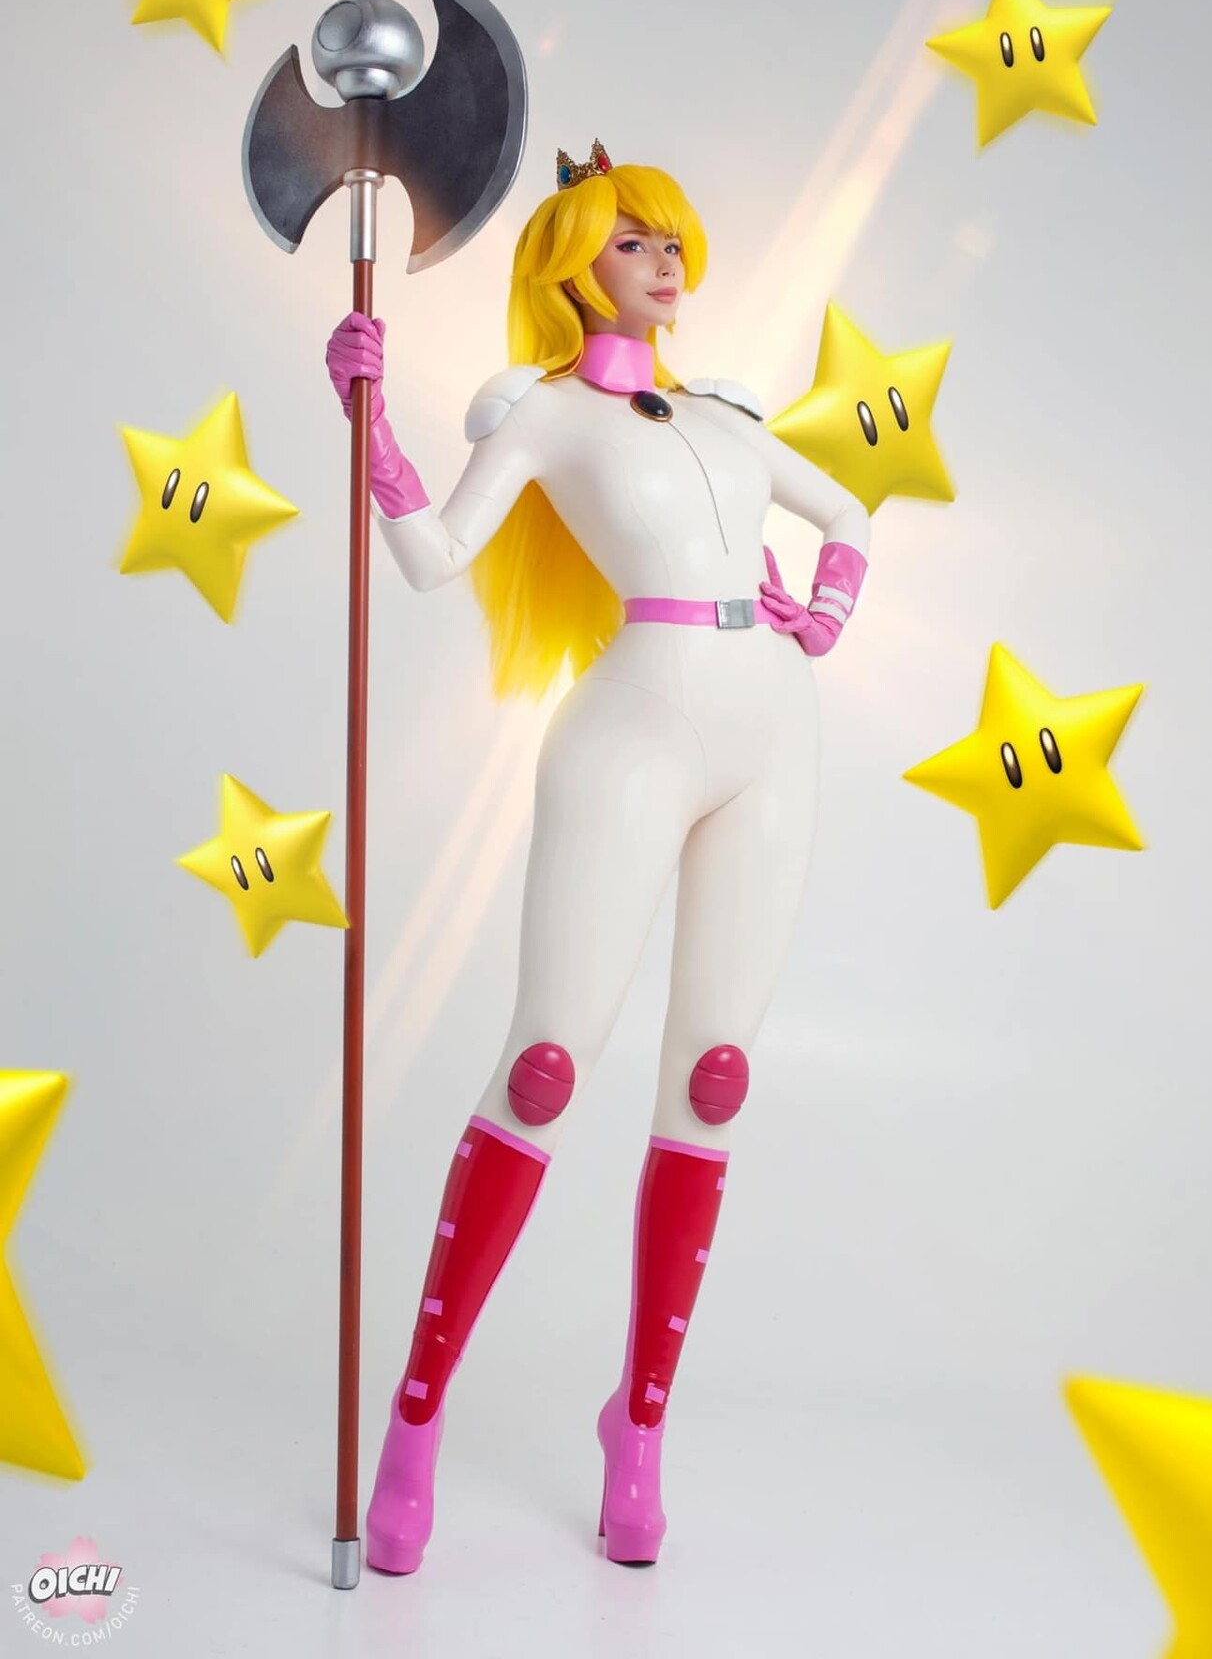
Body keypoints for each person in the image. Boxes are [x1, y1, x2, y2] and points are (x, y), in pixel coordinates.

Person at [323, 145, 871, 1574]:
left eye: (672, 240)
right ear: (574, 266)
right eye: (634, 242)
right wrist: (372, 429)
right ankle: (416, 1417)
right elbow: (436, 556)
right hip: (633, 733)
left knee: (714, 1077)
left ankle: (640, 1425)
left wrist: (825, 611)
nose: (665, 261)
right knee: (546, 1068)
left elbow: (848, 513)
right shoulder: (548, 416)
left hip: (774, 739)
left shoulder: (727, 417)